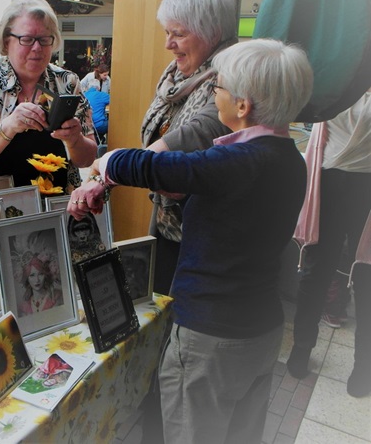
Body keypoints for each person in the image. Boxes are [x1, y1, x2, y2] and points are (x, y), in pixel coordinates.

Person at [69, 39, 313, 444]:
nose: (212, 96)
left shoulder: (239, 162)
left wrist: (105, 164)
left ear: (242, 106)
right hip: (260, 327)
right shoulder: (286, 158)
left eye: (218, 88)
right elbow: (228, 202)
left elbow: (160, 165)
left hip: (213, 337)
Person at [140, 0, 237, 296]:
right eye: (167, 32)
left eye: (178, 34)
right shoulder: (177, 75)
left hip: (205, 231)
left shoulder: (232, 74)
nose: (168, 44)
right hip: (169, 218)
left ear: (213, 32)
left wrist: (124, 167)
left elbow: (202, 129)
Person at [0, 0, 96, 192]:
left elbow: (88, 158)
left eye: (44, 39)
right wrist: (9, 125)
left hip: (54, 206)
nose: (37, 48)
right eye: (27, 39)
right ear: (6, 41)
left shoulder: (67, 82)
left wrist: (75, 140)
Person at [287, 88, 371, 398]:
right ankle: (302, 348)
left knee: (366, 278)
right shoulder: (340, 78)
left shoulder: (341, 81)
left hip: (365, 185)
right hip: (330, 181)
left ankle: (364, 365)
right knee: (317, 271)